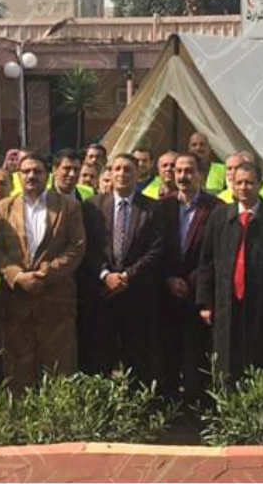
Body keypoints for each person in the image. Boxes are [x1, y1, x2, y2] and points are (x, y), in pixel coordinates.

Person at [0, 153, 86, 392]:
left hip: (56, 298)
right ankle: (21, 413)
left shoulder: (69, 206)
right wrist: (18, 276)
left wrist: (46, 273)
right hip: (16, 300)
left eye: (37, 171)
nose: (31, 176)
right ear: (18, 176)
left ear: (48, 174)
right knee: (18, 371)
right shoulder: (3, 207)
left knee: (59, 370)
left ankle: (58, 415)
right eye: (26, 171)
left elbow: (77, 247)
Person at [197, 161, 263, 381]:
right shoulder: (220, 216)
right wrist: (205, 302)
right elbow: (206, 261)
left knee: (258, 364)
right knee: (226, 366)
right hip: (225, 304)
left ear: (260, 184)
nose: (243, 187)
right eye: (238, 182)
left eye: (249, 182)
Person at [79, 153, 170, 380]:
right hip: (102, 294)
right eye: (117, 169)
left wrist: (127, 276)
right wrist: (105, 275)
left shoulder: (153, 208)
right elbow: (86, 247)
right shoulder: (92, 206)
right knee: (100, 357)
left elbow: (157, 249)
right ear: (109, 173)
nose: (122, 174)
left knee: (137, 359)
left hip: (138, 294)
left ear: (138, 174)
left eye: (128, 169)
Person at [155, 153, 221, 399]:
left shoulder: (215, 208)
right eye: (179, 171)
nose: (183, 176)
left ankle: (196, 407)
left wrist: (194, 284)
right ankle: (167, 405)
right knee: (166, 353)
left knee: (197, 355)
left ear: (200, 174)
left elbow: (215, 255)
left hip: (199, 294)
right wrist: (168, 278)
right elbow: (155, 250)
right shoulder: (162, 206)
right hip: (166, 293)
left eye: (189, 171)